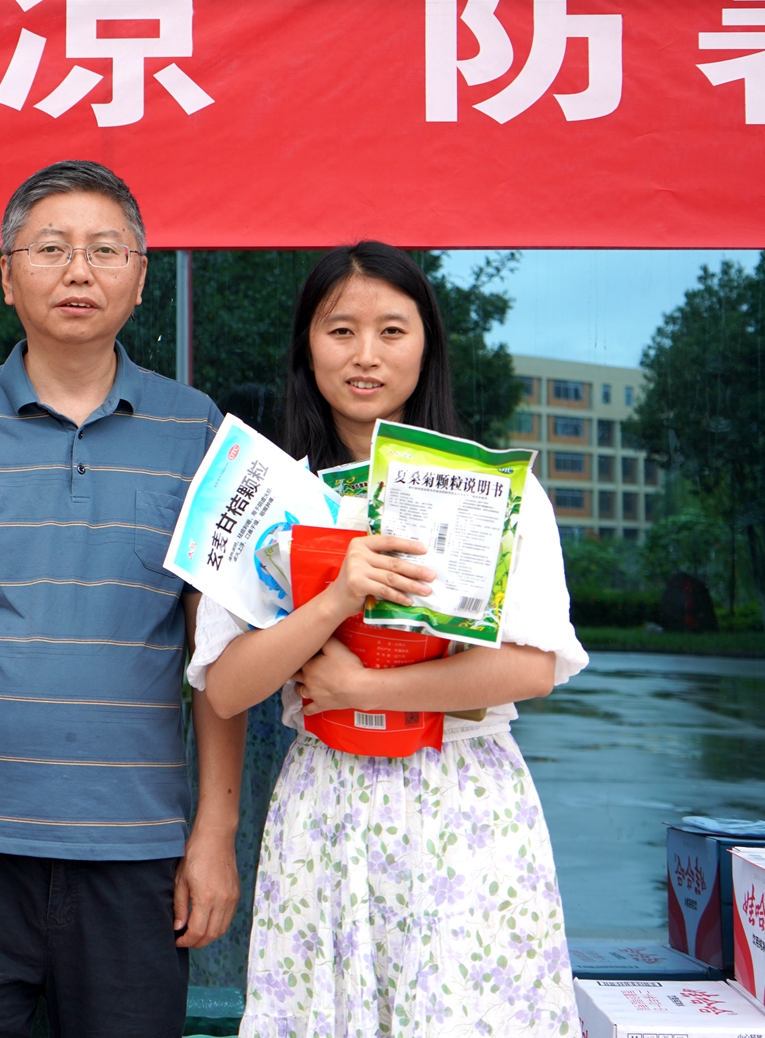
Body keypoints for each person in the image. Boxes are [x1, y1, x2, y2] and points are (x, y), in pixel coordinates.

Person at [0, 161, 248, 1038]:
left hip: (134, 848)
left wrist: (215, 832)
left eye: (106, 250)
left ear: (140, 279)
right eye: (51, 248)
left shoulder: (195, 430)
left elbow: (215, 651)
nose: (78, 271)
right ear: (7, 275)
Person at [192, 241, 586, 1037]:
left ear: (427, 346)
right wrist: (335, 597)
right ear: (308, 345)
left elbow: (535, 668)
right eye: (341, 330)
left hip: (465, 800)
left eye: (392, 331)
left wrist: (367, 688)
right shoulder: (271, 498)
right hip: (325, 801)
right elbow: (226, 689)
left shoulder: (499, 491)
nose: (365, 355)